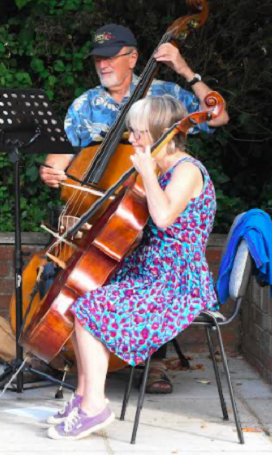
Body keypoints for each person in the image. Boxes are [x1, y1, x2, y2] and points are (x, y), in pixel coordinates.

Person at [40, 24, 229, 394]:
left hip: (149, 216)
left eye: (111, 57)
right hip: (103, 211)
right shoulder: (85, 104)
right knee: (73, 274)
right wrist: (52, 171)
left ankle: (148, 361)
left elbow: (218, 116)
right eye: (98, 58)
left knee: (139, 267)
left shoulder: (164, 97)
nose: (103, 64)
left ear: (132, 58)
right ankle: (57, 355)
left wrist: (185, 70)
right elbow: (58, 160)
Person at [46, 95, 218, 440]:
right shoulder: (162, 169)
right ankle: (83, 397)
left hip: (176, 281)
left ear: (161, 133)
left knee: (91, 310)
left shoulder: (186, 170)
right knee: (81, 298)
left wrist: (147, 173)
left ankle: (94, 407)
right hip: (150, 271)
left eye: (139, 132)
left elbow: (164, 217)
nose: (133, 139)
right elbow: (142, 227)